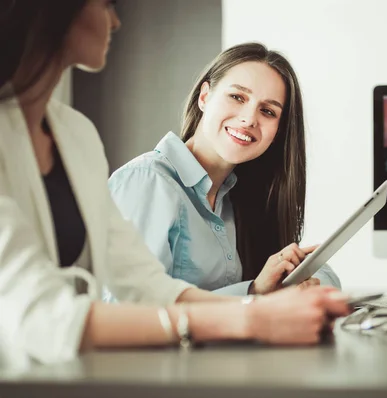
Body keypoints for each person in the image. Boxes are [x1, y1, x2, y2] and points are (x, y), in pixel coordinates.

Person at [0, 0, 349, 367]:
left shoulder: (76, 135)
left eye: (267, 110)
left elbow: (149, 285)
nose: (116, 21)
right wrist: (252, 314)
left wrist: (265, 303)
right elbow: (43, 319)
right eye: (105, 4)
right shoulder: (147, 180)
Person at [108, 43, 341, 295]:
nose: (250, 118)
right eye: (237, 97)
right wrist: (253, 293)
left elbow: (326, 277)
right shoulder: (148, 181)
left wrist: (295, 279)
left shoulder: (237, 198)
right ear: (204, 97)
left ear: (278, 131)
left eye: (267, 111)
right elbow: (132, 313)